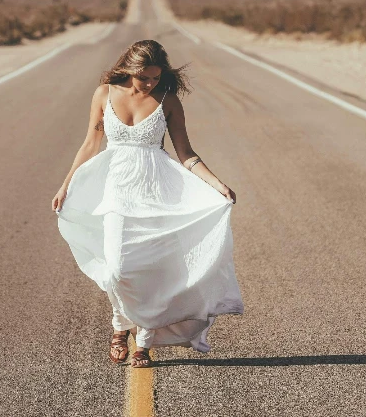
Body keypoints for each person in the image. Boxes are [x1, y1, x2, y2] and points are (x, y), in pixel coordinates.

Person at [52, 40, 243, 368]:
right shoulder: (104, 94)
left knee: (151, 271)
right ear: (129, 70)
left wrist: (217, 184)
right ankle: (119, 325)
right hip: (115, 192)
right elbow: (90, 144)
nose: (151, 84)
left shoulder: (168, 100)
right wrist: (66, 184)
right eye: (145, 78)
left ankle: (142, 341)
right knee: (117, 268)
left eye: (156, 78)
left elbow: (186, 153)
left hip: (155, 192)